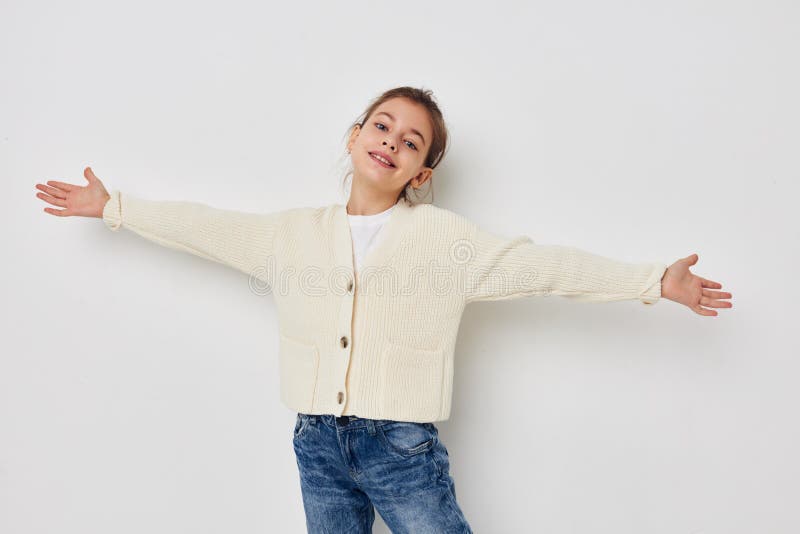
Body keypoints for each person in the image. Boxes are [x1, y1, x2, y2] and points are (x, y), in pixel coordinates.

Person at [34, 86, 733, 533]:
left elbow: (543, 267)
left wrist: (651, 281)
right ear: (353, 135)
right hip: (315, 444)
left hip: (401, 446)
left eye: (411, 142)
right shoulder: (292, 234)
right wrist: (115, 208)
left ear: (420, 173)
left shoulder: (442, 240)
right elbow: (207, 225)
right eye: (382, 125)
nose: (391, 142)